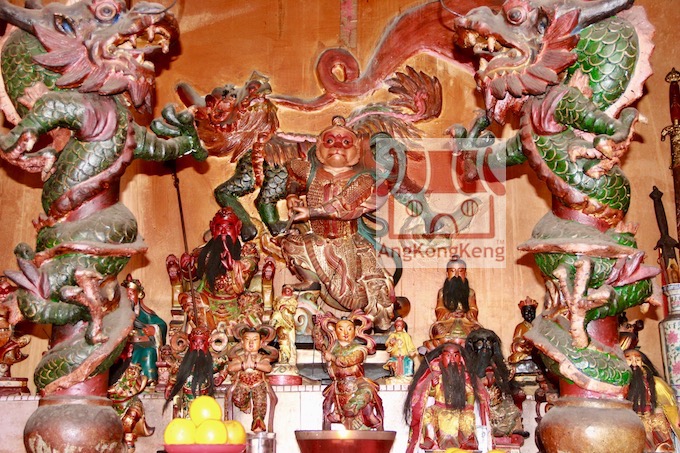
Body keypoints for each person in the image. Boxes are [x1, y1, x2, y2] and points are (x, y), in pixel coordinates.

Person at [281, 116, 395, 331]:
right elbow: (293, 175)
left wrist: (310, 212)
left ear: (356, 151)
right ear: (319, 146)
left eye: (346, 142)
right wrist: (292, 195)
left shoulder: (363, 179)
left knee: (363, 292)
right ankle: (311, 282)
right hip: (315, 240)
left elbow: (343, 205)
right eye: (330, 141)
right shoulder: (310, 171)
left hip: (347, 242)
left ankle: (375, 320)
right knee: (289, 244)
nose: (337, 147)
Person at [404, 342, 490, 453]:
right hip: (438, 409)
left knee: (468, 417)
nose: (452, 359)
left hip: (458, 410)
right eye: (448, 355)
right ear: (441, 357)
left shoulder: (464, 376)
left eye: (455, 355)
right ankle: (429, 438)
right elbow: (428, 393)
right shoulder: (436, 375)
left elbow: (470, 393)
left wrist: (469, 406)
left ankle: (468, 439)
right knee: (426, 415)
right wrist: (433, 386)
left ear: (460, 358)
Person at [313, 310, 384, 430]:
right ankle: (337, 414)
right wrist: (317, 327)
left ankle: (357, 410)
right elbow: (319, 342)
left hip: (357, 383)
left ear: (355, 331)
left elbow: (346, 361)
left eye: (349, 329)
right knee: (328, 405)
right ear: (335, 331)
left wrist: (332, 358)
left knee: (366, 392)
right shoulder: (332, 348)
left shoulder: (360, 349)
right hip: (338, 385)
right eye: (341, 329)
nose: (345, 333)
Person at [466, 329, 527, 445]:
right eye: (480, 343)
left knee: (512, 411)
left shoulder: (502, 368)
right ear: (472, 346)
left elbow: (508, 390)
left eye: (488, 343)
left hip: (499, 408)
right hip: (475, 407)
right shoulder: (465, 368)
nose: (485, 348)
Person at [625, 348, 680, 452]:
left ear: (644, 363)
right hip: (632, 428)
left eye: (637, 360)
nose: (634, 363)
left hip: (656, 427)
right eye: (629, 360)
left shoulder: (656, 383)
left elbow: (670, 408)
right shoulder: (620, 385)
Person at [226, 325, 278, 432]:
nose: (251, 343)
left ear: (261, 343)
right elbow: (231, 367)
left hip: (258, 383)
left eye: (254, 340)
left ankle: (258, 421)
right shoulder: (239, 357)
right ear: (242, 342)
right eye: (247, 340)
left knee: (260, 400)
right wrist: (244, 365)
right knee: (238, 398)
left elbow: (268, 368)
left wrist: (254, 365)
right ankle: (245, 405)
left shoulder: (262, 358)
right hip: (242, 383)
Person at [122, 274, 168, 386]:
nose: (128, 298)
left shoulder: (146, 314)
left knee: (149, 352)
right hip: (125, 347)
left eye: (131, 294)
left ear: (139, 294)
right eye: (125, 295)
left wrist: (154, 329)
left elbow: (162, 325)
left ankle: (148, 380)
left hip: (143, 345)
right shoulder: (119, 314)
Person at [429, 256, 482, 345]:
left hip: (465, 322)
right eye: (453, 271)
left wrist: (466, 314)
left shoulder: (470, 292)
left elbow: (473, 309)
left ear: (465, 274)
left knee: (477, 329)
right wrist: (449, 314)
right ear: (447, 274)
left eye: (460, 271)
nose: (456, 275)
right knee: (437, 329)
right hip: (448, 322)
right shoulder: (442, 292)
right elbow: (439, 308)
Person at [508, 297, 539, 373]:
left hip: (536, 348)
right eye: (527, 312)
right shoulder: (520, 326)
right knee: (515, 347)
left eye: (532, 312)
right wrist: (523, 342)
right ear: (522, 314)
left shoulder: (539, 325)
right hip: (525, 347)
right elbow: (516, 339)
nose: (529, 314)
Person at [384, 317, 417, 383]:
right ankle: (393, 375)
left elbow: (410, 344)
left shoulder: (406, 335)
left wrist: (411, 351)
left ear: (403, 326)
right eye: (397, 326)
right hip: (395, 356)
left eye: (400, 325)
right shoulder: (392, 335)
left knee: (410, 361)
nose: (398, 327)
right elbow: (387, 343)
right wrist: (391, 342)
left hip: (404, 356)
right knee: (391, 363)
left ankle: (408, 375)